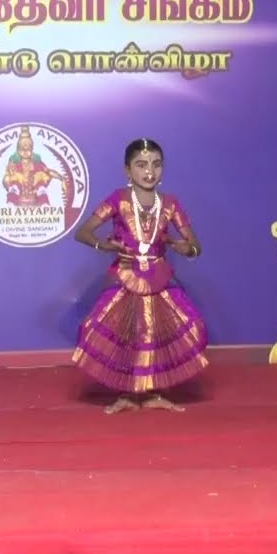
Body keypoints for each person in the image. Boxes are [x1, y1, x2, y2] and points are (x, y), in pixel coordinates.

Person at [72, 138, 208, 414]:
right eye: (141, 165)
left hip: (160, 279)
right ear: (127, 170)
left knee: (162, 333)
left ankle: (153, 392)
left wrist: (185, 248)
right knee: (125, 334)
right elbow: (82, 232)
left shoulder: (170, 204)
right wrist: (104, 245)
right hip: (125, 277)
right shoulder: (118, 200)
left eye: (156, 165)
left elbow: (195, 246)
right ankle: (128, 394)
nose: (150, 171)